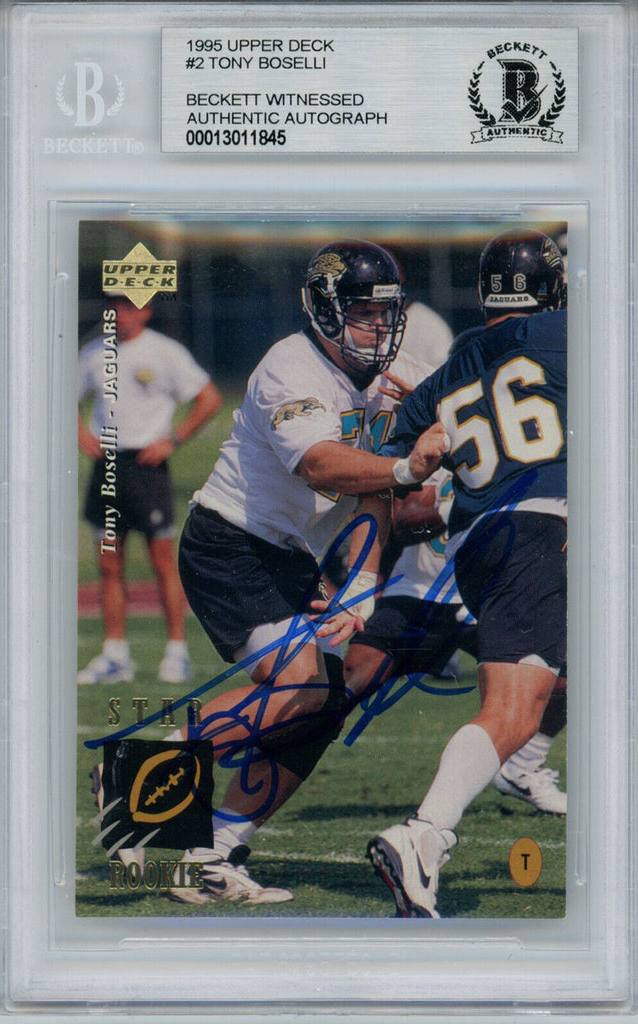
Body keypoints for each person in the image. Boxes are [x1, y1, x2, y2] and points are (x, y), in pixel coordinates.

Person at [164, 240, 449, 905]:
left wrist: (363, 586)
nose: (380, 327)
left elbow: (377, 492)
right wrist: (407, 465)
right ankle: (147, 772)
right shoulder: (289, 367)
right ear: (323, 310)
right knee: (307, 686)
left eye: (387, 312)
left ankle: (216, 850)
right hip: (229, 541)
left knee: (325, 702)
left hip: (286, 553)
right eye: (364, 312)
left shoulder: (391, 374)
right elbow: (322, 464)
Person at [366, 229, 568, 917]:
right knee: (512, 708)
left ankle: (516, 769)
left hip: (480, 547)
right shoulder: (569, 336)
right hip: (544, 529)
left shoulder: (447, 373)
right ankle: (425, 833)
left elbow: (399, 487)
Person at [77, 296, 222, 685]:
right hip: (108, 468)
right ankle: (114, 655)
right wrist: (82, 435)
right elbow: (62, 396)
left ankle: (177, 652)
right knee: (109, 564)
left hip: (148, 468)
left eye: (128, 307)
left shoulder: (164, 351)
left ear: (145, 311)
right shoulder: (93, 353)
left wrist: (173, 440)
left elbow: (209, 398)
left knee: (162, 563)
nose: (119, 314)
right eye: (113, 306)